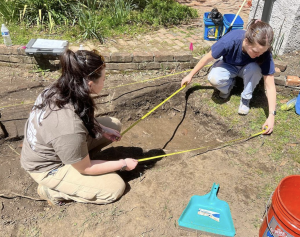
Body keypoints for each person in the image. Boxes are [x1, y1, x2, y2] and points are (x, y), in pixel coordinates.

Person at [20, 49, 138, 205]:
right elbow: (86, 168)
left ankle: (75, 159)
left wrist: (102, 129)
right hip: (48, 167)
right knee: (114, 188)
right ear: (90, 84)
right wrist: (123, 164)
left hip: (55, 146)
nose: (104, 81)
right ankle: (51, 191)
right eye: (104, 78)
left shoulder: (59, 88)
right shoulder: (68, 128)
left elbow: (79, 116)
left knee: (113, 124)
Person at [181, 19, 276, 134]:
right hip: (228, 64)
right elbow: (207, 58)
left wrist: (271, 116)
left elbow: (270, 86)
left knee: (256, 69)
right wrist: (190, 75)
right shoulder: (230, 40)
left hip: (248, 68)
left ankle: (246, 99)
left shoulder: (263, 53)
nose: (259, 55)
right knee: (214, 78)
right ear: (246, 41)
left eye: (261, 52)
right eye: (256, 51)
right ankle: (229, 86)